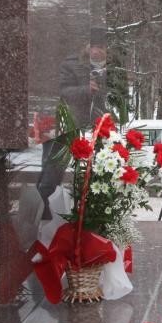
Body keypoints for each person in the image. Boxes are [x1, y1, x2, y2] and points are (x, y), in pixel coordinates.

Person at [37, 27, 108, 219]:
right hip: (64, 125)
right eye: (94, 46)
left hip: (92, 127)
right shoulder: (71, 64)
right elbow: (62, 92)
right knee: (52, 173)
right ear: (87, 46)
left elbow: (111, 98)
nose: (97, 50)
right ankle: (42, 216)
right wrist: (86, 89)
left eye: (101, 47)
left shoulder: (110, 69)